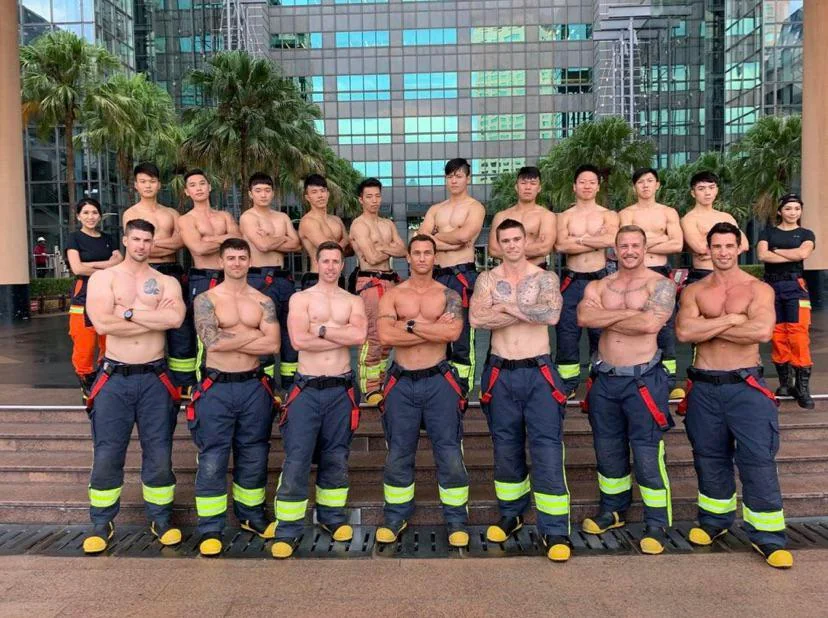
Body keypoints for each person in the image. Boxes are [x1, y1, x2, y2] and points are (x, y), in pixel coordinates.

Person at [676, 222, 792, 569]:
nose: (723, 252)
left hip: (746, 387)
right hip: (705, 387)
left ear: (740, 247)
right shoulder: (694, 291)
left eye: (729, 245)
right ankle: (714, 522)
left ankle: (768, 535)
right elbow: (684, 332)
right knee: (709, 458)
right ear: (707, 250)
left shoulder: (759, 289)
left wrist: (709, 326)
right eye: (717, 246)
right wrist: (731, 319)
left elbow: (760, 331)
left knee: (757, 459)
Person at [470, 219, 571, 562]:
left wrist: (508, 307)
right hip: (501, 372)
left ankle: (555, 529)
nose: (512, 245)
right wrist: (528, 312)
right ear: (497, 245)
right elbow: (477, 319)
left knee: (546, 450)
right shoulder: (488, 278)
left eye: (517, 238)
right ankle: (511, 513)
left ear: (526, 241)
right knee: (506, 447)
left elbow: (553, 314)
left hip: (538, 371)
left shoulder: (545, 277)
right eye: (505, 240)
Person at [82, 218, 186, 553]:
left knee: (159, 453)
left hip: (155, 378)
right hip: (115, 378)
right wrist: (146, 316)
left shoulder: (165, 280)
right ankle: (101, 522)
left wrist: (126, 314)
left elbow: (174, 320)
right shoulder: (104, 278)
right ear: (125, 240)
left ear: (153, 244)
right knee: (108, 453)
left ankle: (161, 518)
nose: (141, 245)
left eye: (147, 240)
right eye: (136, 239)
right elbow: (101, 322)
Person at [576, 225, 676, 555]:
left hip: (644, 380)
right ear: (614, 250)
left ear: (645, 249)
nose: (629, 250)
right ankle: (614, 510)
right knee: (607, 450)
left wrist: (606, 316)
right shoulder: (599, 283)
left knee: (648, 454)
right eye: (623, 245)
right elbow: (583, 317)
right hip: (605, 380)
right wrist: (630, 313)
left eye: (635, 244)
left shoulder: (660, 284)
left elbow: (651, 324)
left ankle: (657, 521)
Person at [272, 241, 367, 559]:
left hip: (341, 390)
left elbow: (359, 338)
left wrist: (322, 330)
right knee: (297, 459)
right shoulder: (301, 298)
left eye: (335, 261)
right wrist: (338, 332)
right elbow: (299, 340)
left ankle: (332, 517)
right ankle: (287, 528)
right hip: (307, 390)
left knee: (336, 456)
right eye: (324, 261)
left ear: (342, 265)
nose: (330, 266)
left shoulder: (353, 300)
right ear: (317, 263)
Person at [375, 234, 469, 547]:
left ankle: (456, 518)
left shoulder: (449, 294)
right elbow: (385, 336)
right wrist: (432, 331)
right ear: (409, 257)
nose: (422, 258)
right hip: (401, 382)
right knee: (399, 451)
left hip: (439, 381)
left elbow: (453, 332)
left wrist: (410, 325)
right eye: (416, 252)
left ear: (434, 257)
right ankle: (396, 515)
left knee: (449, 452)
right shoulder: (392, 294)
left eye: (428, 252)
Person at [190, 238, 280, 556]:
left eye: (242, 257)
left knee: (254, 454)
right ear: (221, 261)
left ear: (250, 261)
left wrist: (234, 337)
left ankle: (251, 516)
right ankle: (210, 527)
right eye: (231, 258)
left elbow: (273, 345)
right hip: (217, 387)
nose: (237, 263)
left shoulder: (263, 301)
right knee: (213, 457)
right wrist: (253, 335)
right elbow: (211, 342)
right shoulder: (206, 300)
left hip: (254, 386)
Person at [123, 162, 194, 396]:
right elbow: (138, 250)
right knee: (146, 321)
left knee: (179, 324)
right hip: (145, 272)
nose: (148, 185)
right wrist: (163, 245)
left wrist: (154, 245)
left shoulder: (171, 213)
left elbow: (181, 242)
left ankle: (183, 381)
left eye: (152, 181)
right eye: (143, 181)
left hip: (172, 270)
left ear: (159, 184)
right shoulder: (131, 214)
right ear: (136, 185)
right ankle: (146, 376)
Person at [417, 158, 485, 392]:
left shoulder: (475, 207)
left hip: (461, 275)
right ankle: (438, 384)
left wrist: (438, 238)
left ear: (468, 178)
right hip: (436, 277)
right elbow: (422, 241)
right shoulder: (436, 209)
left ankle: (462, 388)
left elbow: (464, 236)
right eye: (450, 176)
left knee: (461, 336)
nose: (454, 180)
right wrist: (450, 240)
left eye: (458, 175)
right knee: (434, 330)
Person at [554, 164, 619, 396]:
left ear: (598, 186)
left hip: (600, 280)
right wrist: (593, 239)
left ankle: (600, 380)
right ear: (574, 186)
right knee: (567, 331)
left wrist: (578, 239)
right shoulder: (564, 216)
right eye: (582, 181)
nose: (587, 186)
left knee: (600, 331)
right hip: (572, 280)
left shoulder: (608, 215)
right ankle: (567, 384)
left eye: (592, 182)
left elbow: (611, 240)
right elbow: (561, 245)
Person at [619, 168, 685, 398]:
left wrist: (645, 241)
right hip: (634, 275)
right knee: (635, 325)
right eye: (640, 182)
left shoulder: (668, 212)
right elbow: (628, 245)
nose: (645, 185)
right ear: (634, 187)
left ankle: (669, 382)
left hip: (660, 273)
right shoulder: (626, 213)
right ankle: (636, 378)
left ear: (658, 185)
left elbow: (677, 244)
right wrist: (661, 238)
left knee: (665, 328)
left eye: (649, 181)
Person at [239, 172, 302, 391]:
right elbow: (262, 246)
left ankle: (290, 386)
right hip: (259, 278)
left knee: (289, 331)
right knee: (262, 331)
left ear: (273, 193)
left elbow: (297, 245)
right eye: (258, 191)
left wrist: (272, 238)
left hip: (283, 278)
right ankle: (263, 387)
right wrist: (282, 238)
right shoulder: (248, 217)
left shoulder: (282, 217)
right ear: (250, 193)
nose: (263, 195)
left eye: (267, 190)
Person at [349, 177, 407, 404]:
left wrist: (382, 247)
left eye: (377, 196)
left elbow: (403, 249)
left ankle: (380, 382)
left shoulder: (388, 224)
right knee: (373, 334)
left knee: (388, 335)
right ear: (360, 199)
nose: (374, 201)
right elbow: (371, 258)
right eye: (369, 196)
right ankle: (370, 387)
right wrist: (388, 248)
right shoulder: (359, 225)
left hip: (391, 282)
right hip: (370, 282)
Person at [178, 169, 241, 375]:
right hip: (204, 278)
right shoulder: (186, 220)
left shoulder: (224, 215)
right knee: (205, 332)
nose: (198, 188)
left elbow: (239, 242)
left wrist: (208, 240)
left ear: (209, 186)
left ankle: (230, 374)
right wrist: (224, 238)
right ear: (187, 192)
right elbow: (198, 248)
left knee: (233, 326)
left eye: (202, 183)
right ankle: (203, 381)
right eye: (193, 185)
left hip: (230, 278)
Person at [757, 194, 816, 409]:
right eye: (789, 209)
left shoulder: (806, 233)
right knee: (778, 335)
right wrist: (790, 254)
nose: (793, 212)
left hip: (795, 288)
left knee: (798, 335)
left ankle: (802, 388)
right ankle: (785, 384)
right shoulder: (768, 232)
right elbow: (763, 256)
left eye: (797, 209)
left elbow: (803, 253)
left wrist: (777, 251)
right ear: (780, 211)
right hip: (771, 288)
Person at [65, 198, 123, 399]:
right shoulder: (74, 238)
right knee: (84, 341)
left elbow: (119, 261)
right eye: (86, 213)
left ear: (100, 215)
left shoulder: (108, 238)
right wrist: (106, 265)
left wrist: (92, 266)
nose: (91, 217)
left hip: (109, 294)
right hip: (83, 296)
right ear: (78, 216)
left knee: (109, 339)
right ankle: (86, 380)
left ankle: (105, 377)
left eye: (94, 213)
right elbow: (77, 268)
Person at [679, 171, 748, 286]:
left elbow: (744, 245)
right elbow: (700, 248)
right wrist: (730, 250)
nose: (707, 192)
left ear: (716, 190)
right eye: (701, 189)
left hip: (730, 274)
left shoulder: (726, 217)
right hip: (703, 274)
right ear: (693, 193)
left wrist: (709, 254)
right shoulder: (689, 219)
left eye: (711, 187)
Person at [487, 166, 556, 269]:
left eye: (533, 184)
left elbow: (543, 248)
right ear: (516, 187)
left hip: (536, 271)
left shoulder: (546, 216)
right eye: (523, 183)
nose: (527, 187)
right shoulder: (501, 216)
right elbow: (493, 249)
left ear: (539, 188)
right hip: (507, 273)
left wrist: (510, 251)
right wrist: (531, 248)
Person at [297, 174, 351, 290]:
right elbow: (329, 249)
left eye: (323, 191)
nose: (320, 195)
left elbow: (350, 250)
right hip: (316, 278)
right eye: (314, 192)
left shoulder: (336, 220)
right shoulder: (308, 221)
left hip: (337, 278)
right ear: (307, 197)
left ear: (328, 193)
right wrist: (345, 240)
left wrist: (345, 242)